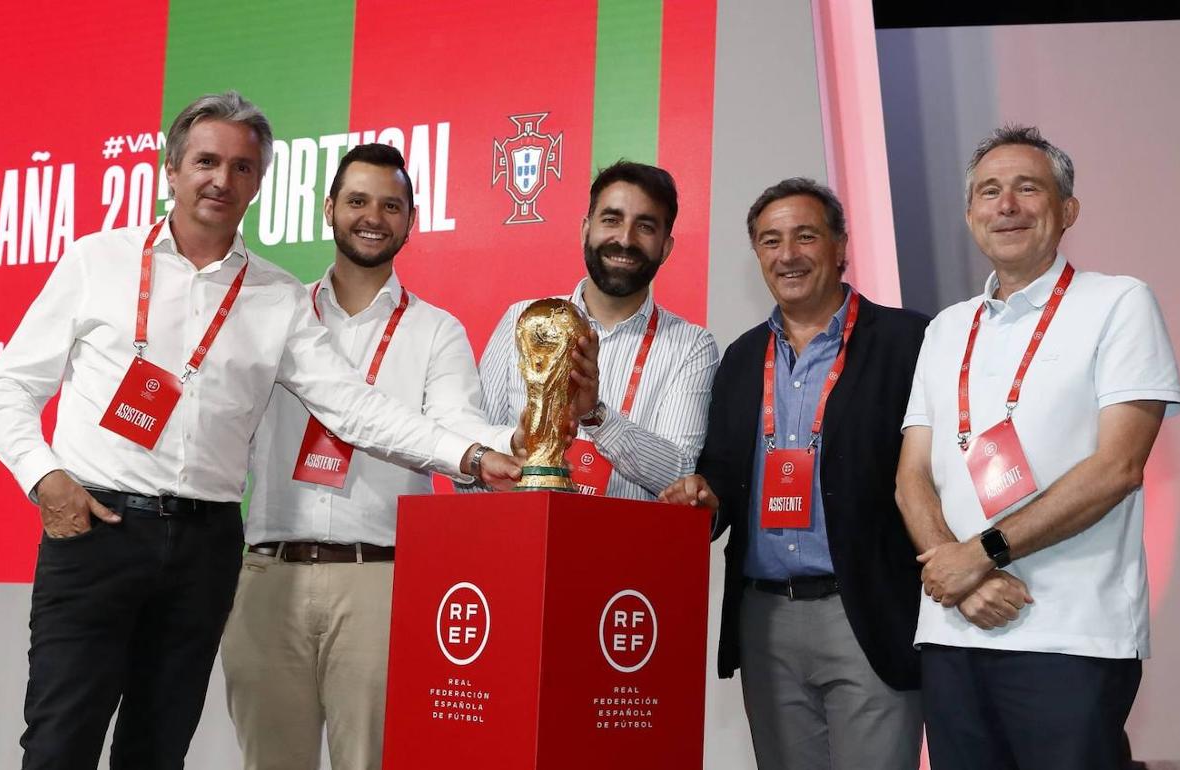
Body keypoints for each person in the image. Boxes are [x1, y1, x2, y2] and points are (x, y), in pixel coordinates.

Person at [0, 93, 519, 770]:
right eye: (206, 161)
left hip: (206, 546)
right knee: (61, 741)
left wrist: (467, 452)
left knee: (157, 748)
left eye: (241, 167)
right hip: (97, 527)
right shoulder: (97, 261)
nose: (221, 180)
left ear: (259, 184)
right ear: (170, 170)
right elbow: (6, 391)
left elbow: (353, 406)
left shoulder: (277, 296)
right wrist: (44, 476)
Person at [895, 125, 1180, 769]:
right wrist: (961, 575)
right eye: (989, 192)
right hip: (954, 629)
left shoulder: (1118, 302)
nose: (1008, 206)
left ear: (1067, 210)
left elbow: (1118, 468)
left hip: (1072, 636)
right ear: (970, 214)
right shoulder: (946, 328)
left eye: (1029, 188)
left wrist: (983, 553)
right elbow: (911, 475)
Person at [220, 143, 517, 770]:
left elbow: (456, 428)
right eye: (357, 201)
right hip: (270, 574)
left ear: (411, 219)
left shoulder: (438, 331)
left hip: (382, 581)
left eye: (391, 204)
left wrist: (515, 446)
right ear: (329, 209)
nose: (372, 216)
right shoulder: (275, 313)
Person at [662, 178, 928, 769]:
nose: (788, 255)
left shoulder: (909, 342)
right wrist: (705, 497)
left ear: (840, 247)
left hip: (866, 612)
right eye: (770, 240)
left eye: (806, 236)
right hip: (766, 620)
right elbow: (724, 474)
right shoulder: (738, 358)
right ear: (757, 255)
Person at [476, 160, 718, 499]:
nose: (624, 239)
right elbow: (471, 454)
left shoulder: (691, 345)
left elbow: (680, 473)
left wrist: (595, 415)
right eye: (611, 220)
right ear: (585, 230)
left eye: (645, 227)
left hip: (622, 547)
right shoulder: (525, 319)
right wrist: (513, 444)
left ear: (665, 248)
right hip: (523, 540)